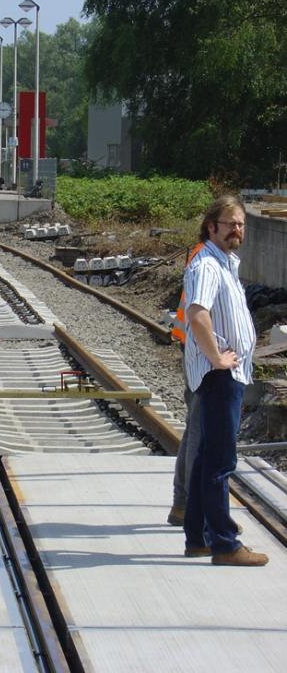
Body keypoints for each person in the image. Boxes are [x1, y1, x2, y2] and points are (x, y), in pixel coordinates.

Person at [182, 194, 268, 565]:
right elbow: (197, 313)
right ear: (211, 227)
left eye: (241, 224)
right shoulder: (206, 265)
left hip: (226, 374)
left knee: (206, 459)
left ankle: (198, 537)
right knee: (220, 462)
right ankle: (225, 544)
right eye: (230, 224)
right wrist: (217, 358)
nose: (237, 230)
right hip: (220, 375)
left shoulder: (224, 263)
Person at [167, 242, 205, 527]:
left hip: (194, 347)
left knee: (195, 428)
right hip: (202, 353)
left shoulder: (203, 254)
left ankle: (183, 504)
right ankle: (193, 506)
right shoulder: (207, 259)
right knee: (200, 430)